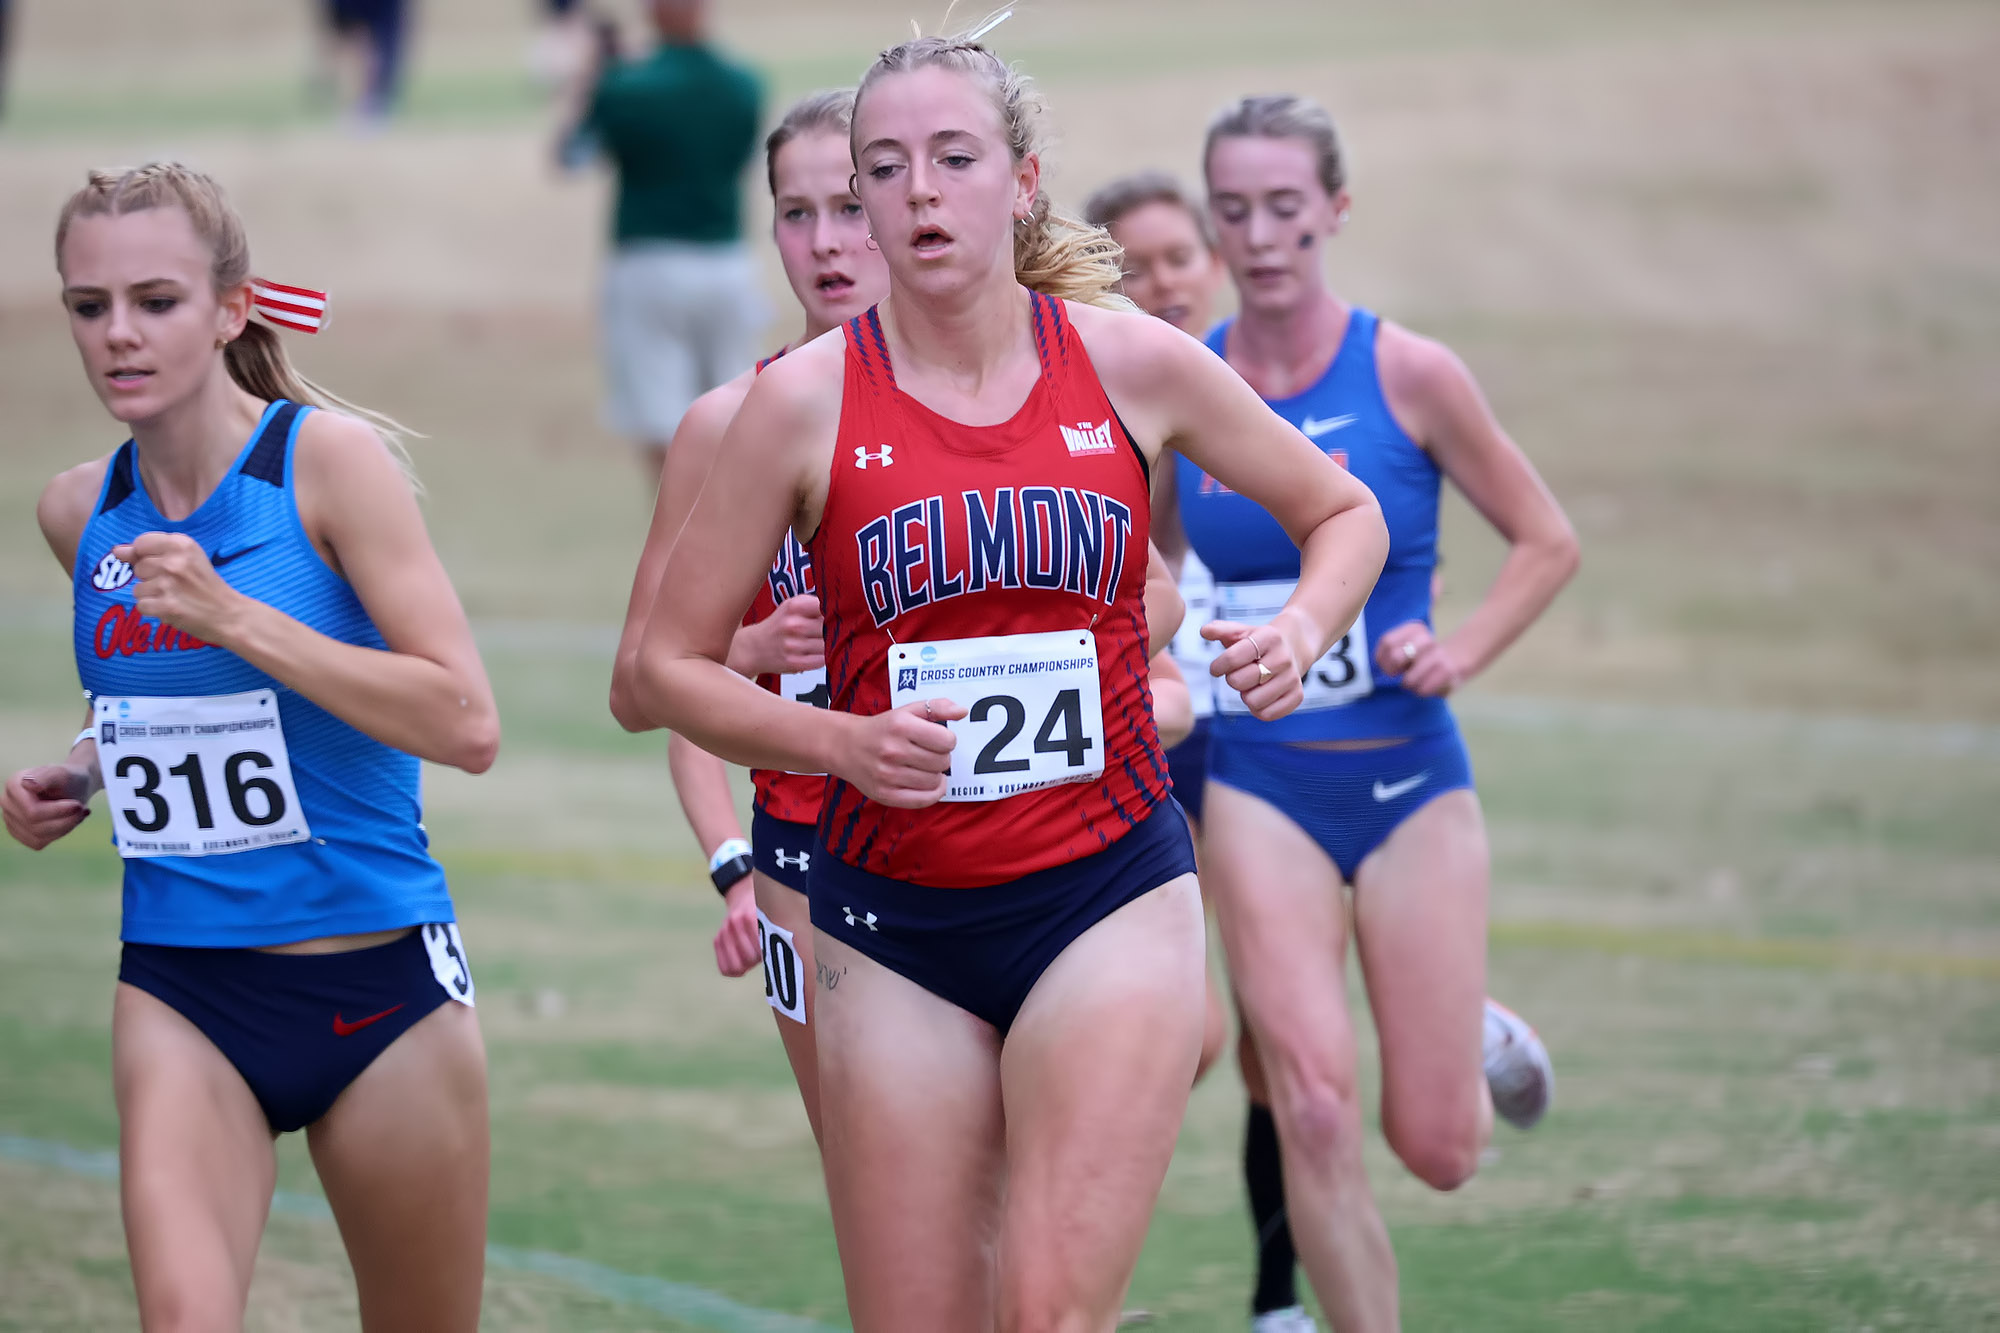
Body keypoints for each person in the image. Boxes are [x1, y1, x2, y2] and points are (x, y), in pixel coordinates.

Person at [633, 32, 1388, 1331]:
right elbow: (658, 669)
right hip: (892, 918)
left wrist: (1304, 627)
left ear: (1024, 181)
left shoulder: (1129, 361)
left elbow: (1346, 513)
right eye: (886, 166)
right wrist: (840, 749)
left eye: (953, 158)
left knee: (1048, 1312)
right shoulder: (800, 405)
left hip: (1107, 891)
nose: (918, 191)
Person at [2, 163, 498, 1330]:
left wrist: (238, 617)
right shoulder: (82, 509)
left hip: (378, 988)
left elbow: (465, 722)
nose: (118, 334)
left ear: (231, 308)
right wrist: (79, 769)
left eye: (157, 301)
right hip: (181, 985)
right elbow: (162, 702)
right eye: (89, 306)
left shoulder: (324, 465)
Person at [1157, 95, 1581, 1332]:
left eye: (1286, 207)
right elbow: (1140, 563)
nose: (1260, 234)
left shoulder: (1407, 372)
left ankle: (1466, 1026)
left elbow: (1545, 541)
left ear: (1333, 210)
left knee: (1437, 1146)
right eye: (1232, 210)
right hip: (1257, 785)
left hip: (1406, 777)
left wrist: (1455, 650)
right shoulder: (1190, 383)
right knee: (1312, 1106)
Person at [608, 89, 890, 1142]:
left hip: (992, 832)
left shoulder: (1001, 396)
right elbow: (640, 680)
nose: (824, 243)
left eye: (852, 206)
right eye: (793, 212)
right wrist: (748, 649)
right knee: (871, 1176)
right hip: (805, 852)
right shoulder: (724, 425)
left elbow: (1149, 597)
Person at [1087, 169, 1310, 1329]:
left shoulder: (1239, 386)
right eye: (1131, 265)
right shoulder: (1094, 399)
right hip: (1152, 724)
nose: (1161, 282)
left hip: (1250, 726)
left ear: (1211, 263)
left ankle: (1275, 1298)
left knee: (1276, 1018)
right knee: (1194, 1034)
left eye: (1177, 257)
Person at [571, 0, 765, 480]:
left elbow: (573, 150)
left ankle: (674, 538)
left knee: (660, 421)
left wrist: (601, 75)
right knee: (733, 414)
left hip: (648, 263)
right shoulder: (744, 86)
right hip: (726, 260)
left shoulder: (625, 89)